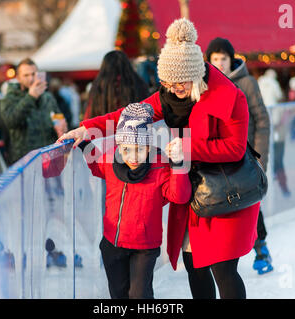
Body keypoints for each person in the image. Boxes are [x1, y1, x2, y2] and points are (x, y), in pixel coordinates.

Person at [59, 18, 260, 299]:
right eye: (167, 83)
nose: (173, 89)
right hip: (192, 193)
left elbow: (235, 148)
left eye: (179, 83)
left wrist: (187, 149)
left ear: (195, 75)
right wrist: (86, 128)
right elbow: (129, 115)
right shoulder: (168, 96)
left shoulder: (231, 97)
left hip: (226, 192)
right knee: (195, 264)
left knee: (223, 268)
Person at [79, 102, 191, 298]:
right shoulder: (113, 160)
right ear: (119, 146)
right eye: (127, 149)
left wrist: (179, 164)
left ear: (148, 146)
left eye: (140, 149)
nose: (133, 156)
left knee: (140, 295)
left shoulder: (160, 166)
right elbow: (97, 165)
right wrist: (83, 143)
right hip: (113, 243)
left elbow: (179, 196)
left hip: (145, 247)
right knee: (119, 294)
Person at [206, 37, 273, 275]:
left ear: (230, 59)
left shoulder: (246, 83)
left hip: (245, 157)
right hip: (220, 159)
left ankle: (261, 247)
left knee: (250, 201)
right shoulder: (208, 85)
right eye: (214, 59)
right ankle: (225, 254)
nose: (219, 63)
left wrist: (259, 156)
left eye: (223, 58)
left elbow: (262, 120)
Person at [0, 58, 67, 165]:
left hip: (50, 158)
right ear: (18, 78)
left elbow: (58, 117)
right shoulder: (10, 98)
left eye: (33, 74)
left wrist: (61, 126)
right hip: (25, 160)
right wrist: (31, 97)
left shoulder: (47, 97)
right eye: (26, 75)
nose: (31, 78)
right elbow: (10, 121)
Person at [83, 50, 149, 121]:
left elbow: (89, 115)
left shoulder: (98, 86)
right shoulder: (137, 83)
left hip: (105, 128)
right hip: (133, 128)